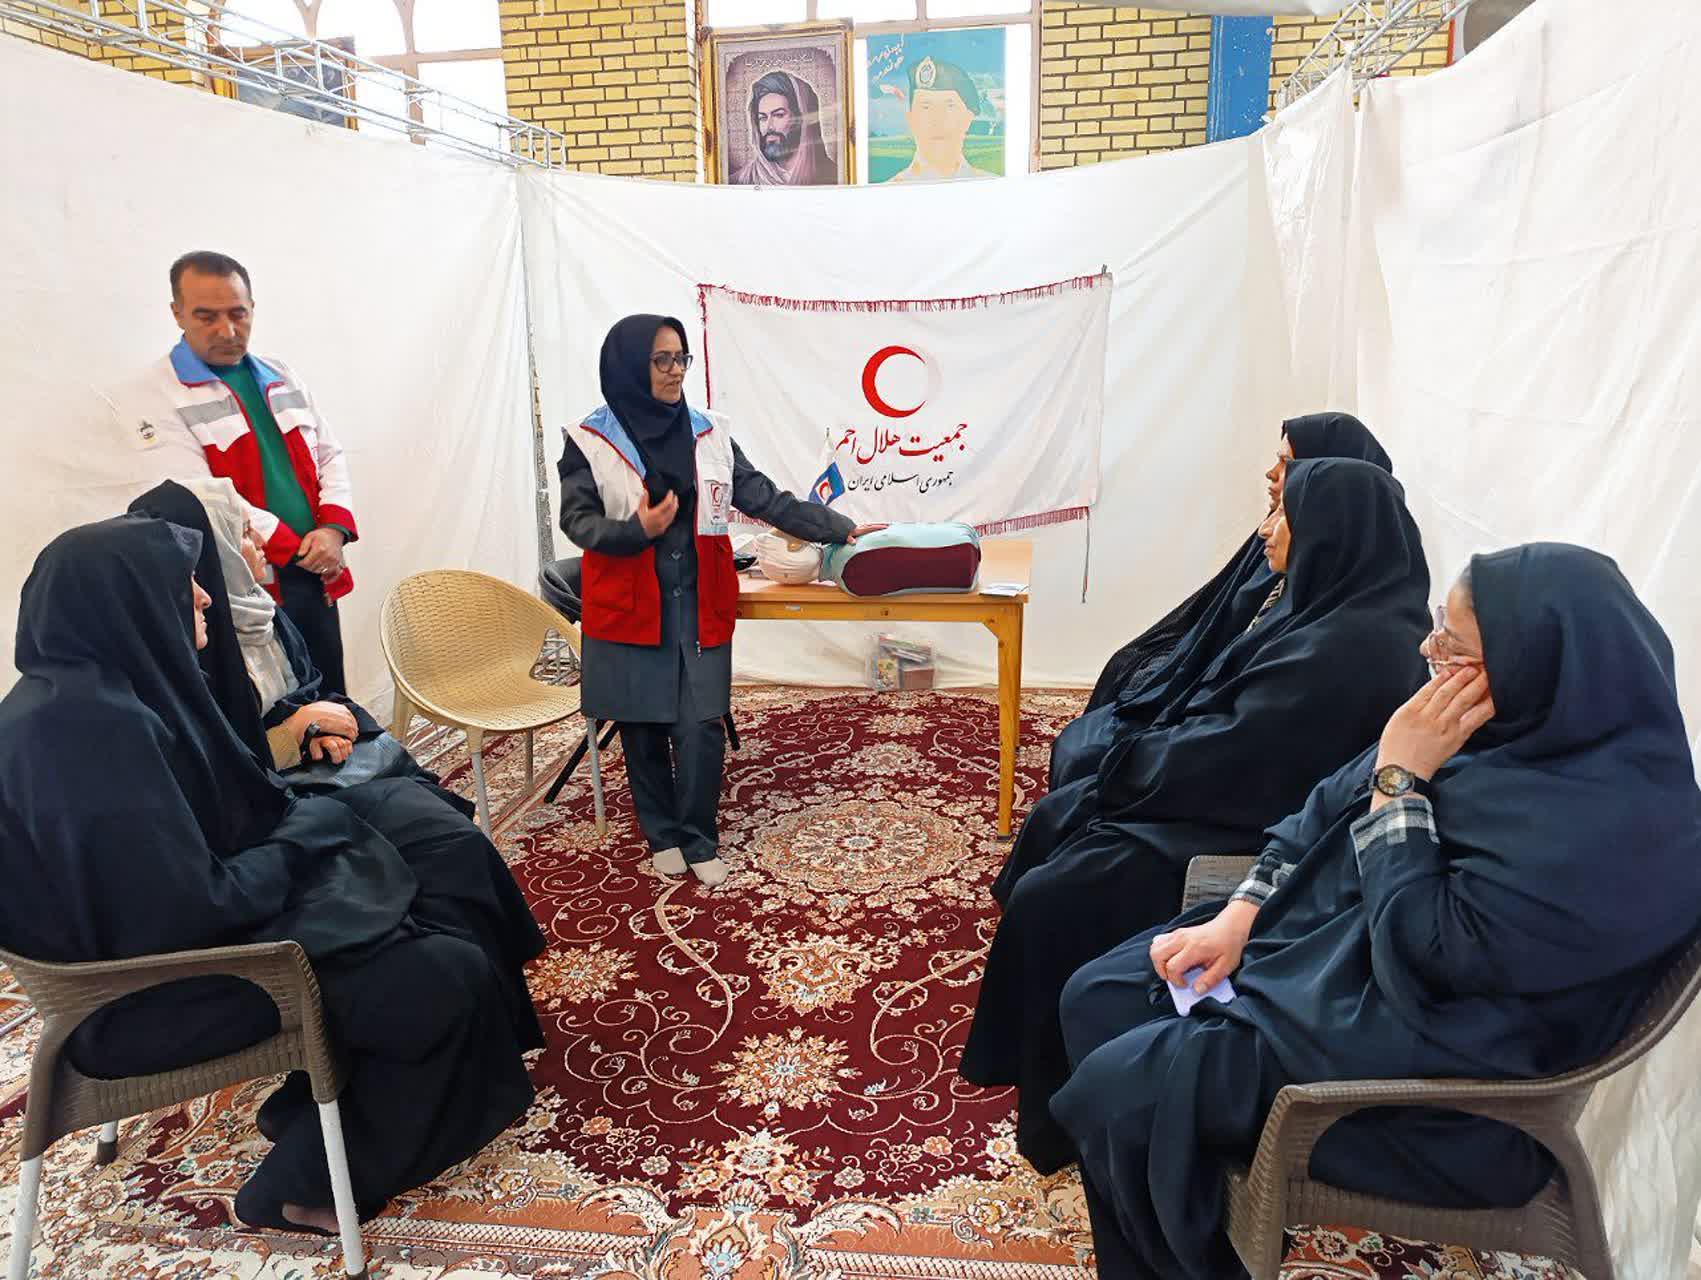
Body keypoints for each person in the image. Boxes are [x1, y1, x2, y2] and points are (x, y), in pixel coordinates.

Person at [1053, 544, 1701, 1279]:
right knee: (1099, 994)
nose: (1429, 651)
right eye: (1439, 626)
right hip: (1348, 980)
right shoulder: (1492, 736)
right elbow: (1320, 810)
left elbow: (1431, 957)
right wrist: (1241, 914)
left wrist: (1399, 785)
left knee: (1121, 1095)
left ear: (1537, 669)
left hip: (1438, 1093)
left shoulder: (1616, 830)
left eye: (1455, 646)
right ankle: (1179, 1211)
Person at [0, 516, 546, 1233]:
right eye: (184, 584)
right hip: (147, 993)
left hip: (168, 939)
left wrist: (306, 830)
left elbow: (204, 836)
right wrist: (307, 838)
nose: (204, 596)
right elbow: (191, 909)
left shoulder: (94, 694)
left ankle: (324, 1097)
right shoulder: (89, 733)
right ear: (128, 603)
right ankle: (298, 1185)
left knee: (426, 862)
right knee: (443, 972)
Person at [959, 458, 1431, 1173]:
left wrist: (1138, 763)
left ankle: (1059, 1110)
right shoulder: (1330, 611)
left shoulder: (1354, 647)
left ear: (1328, 534)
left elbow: (1240, 756)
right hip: (1235, 801)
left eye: (1285, 516)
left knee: (1057, 893)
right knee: (1067, 824)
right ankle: (1042, 1068)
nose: (1266, 531)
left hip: (1240, 828)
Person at [558, 315, 882, 887]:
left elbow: (763, 497)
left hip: (697, 600)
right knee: (641, 726)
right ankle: (662, 835)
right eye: (661, 359)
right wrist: (636, 530)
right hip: (630, 604)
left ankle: (698, 836)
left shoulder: (709, 432)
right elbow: (577, 521)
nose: (676, 370)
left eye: (681, 357)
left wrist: (838, 527)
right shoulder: (589, 439)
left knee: (702, 725)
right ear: (630, 365)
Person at [127, 477, 457, 802]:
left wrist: (316, 730)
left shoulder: (261, 610)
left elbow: (307, 690)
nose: (261, 540)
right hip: (264, 799)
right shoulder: (192, 645)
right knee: (421, 816)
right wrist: (295, 730)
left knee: (426, 800)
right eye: (244, 532)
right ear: (214, 552)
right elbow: (214, 766)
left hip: (308, 767)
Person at [120, 250, 359, 694]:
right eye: (206, 316)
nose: (227, 331)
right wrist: (296, 547)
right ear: (177, 313)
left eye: (237, 314)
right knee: (277, 702)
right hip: (245, 584)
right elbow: (200, 494)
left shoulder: (281, 374)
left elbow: (329, 453)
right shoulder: (158, 393)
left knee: (332, 690)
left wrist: (333, 529)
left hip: (318, 568)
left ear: (252, 308)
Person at [887, 55, 996, 183]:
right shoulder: (889, 190)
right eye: (926, 107)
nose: (937, 119)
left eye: (950, 107)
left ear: (968, 118)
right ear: (911, 119)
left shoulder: (990, 184)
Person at [732, 70, 836, 186]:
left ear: (801, 120)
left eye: (778, 115)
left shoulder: (834, 175)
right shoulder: (741, 180)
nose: (769, 127)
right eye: (763, 118)